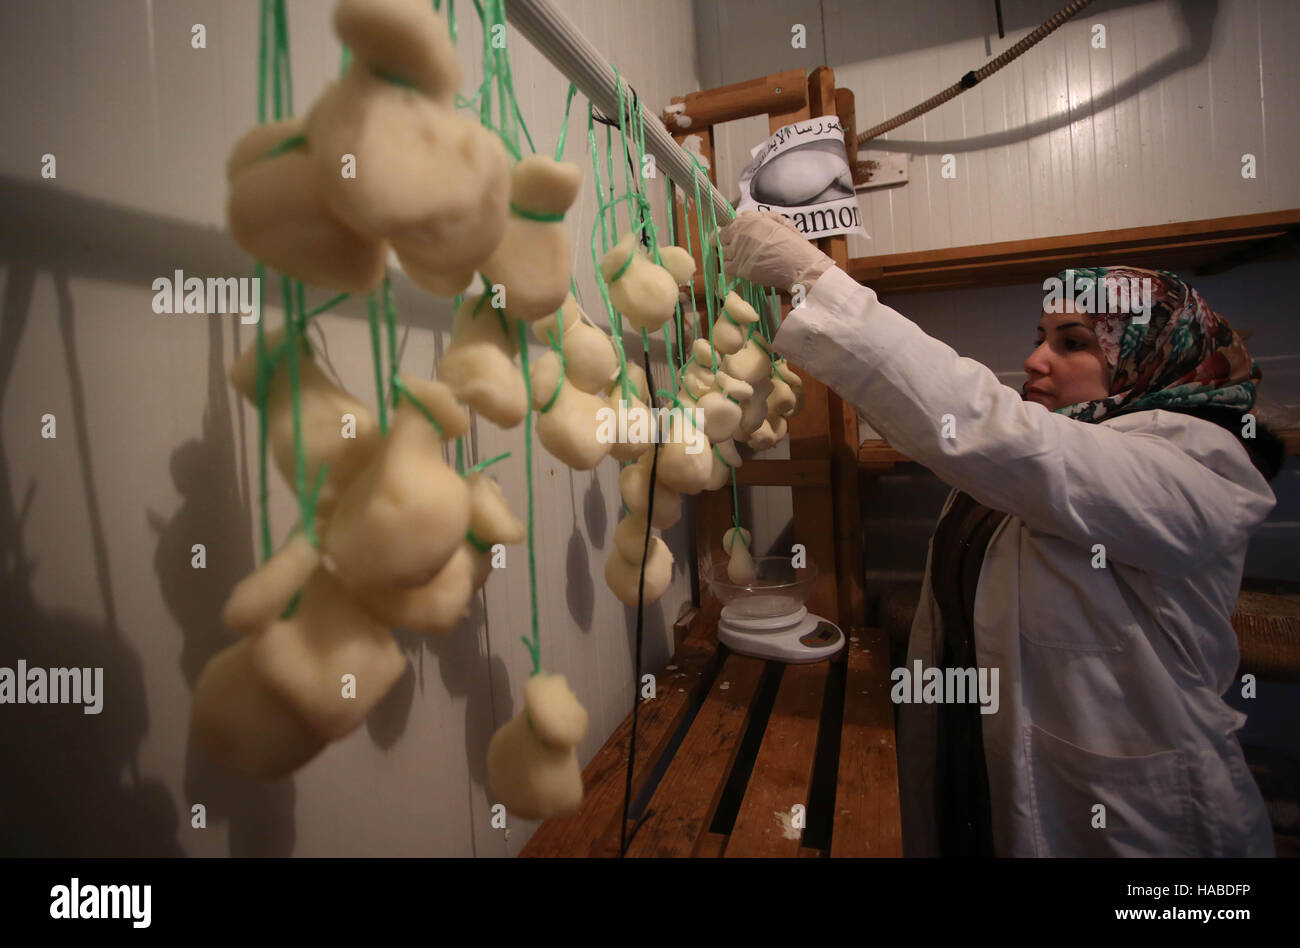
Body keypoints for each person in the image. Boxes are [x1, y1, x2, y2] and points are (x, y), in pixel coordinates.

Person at [718, 210, 1284, 857]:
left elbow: (994, 434)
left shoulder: (1193, 472)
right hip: (982, 770)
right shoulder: (1062, 454)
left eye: (1071, 342)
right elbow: (979, 446)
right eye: (1041, 336)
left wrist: (815, 280)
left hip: (1140, 822)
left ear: (1150, 362)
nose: (1035, 360)